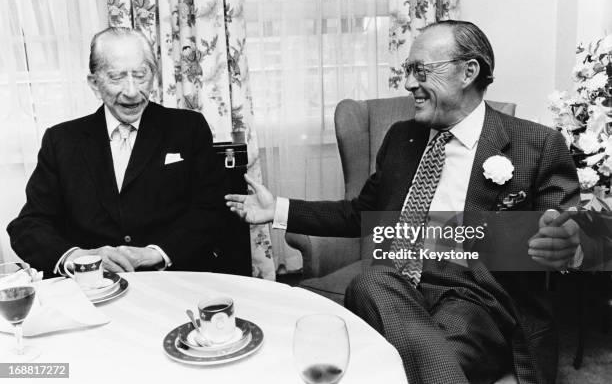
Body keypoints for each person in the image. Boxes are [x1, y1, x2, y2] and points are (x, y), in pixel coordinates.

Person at [226, 20, 582, 384]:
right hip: (393, 287)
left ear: (468, 72)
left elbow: (567, 230)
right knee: (371, 282)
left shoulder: (535, 144)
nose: (409, 83)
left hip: (476, 298)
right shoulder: (402, 137)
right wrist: (278, 210)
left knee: (386, 354)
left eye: (420, 70)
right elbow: (359, 213)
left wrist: (564, 240)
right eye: (408, 70)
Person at [8, 27, 228, 276]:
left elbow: (211, 209)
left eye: (141, 75)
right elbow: (28, 226)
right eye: (117, 77)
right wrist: (78, 257)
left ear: (153, 76)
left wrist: (157, 253)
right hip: (93, 288)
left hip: (173, 280)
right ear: (94, 83)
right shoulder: (61, 141)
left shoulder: (188, 128)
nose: (132, 91)